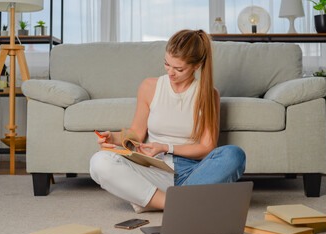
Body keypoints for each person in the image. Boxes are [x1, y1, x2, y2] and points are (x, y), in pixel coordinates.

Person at [89, 29, 246, 213]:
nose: (171, 73)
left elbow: (206, 148)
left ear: (197, 65)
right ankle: (176, 203)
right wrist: (113, 138)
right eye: (167, 64)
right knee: (99, 161)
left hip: (191, 173)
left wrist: (166, 147)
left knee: (234, 155)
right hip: (153, 169)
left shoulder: (209, 95)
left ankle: (149, 199)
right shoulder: (149, 87)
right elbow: (136, 134)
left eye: (179, 69)